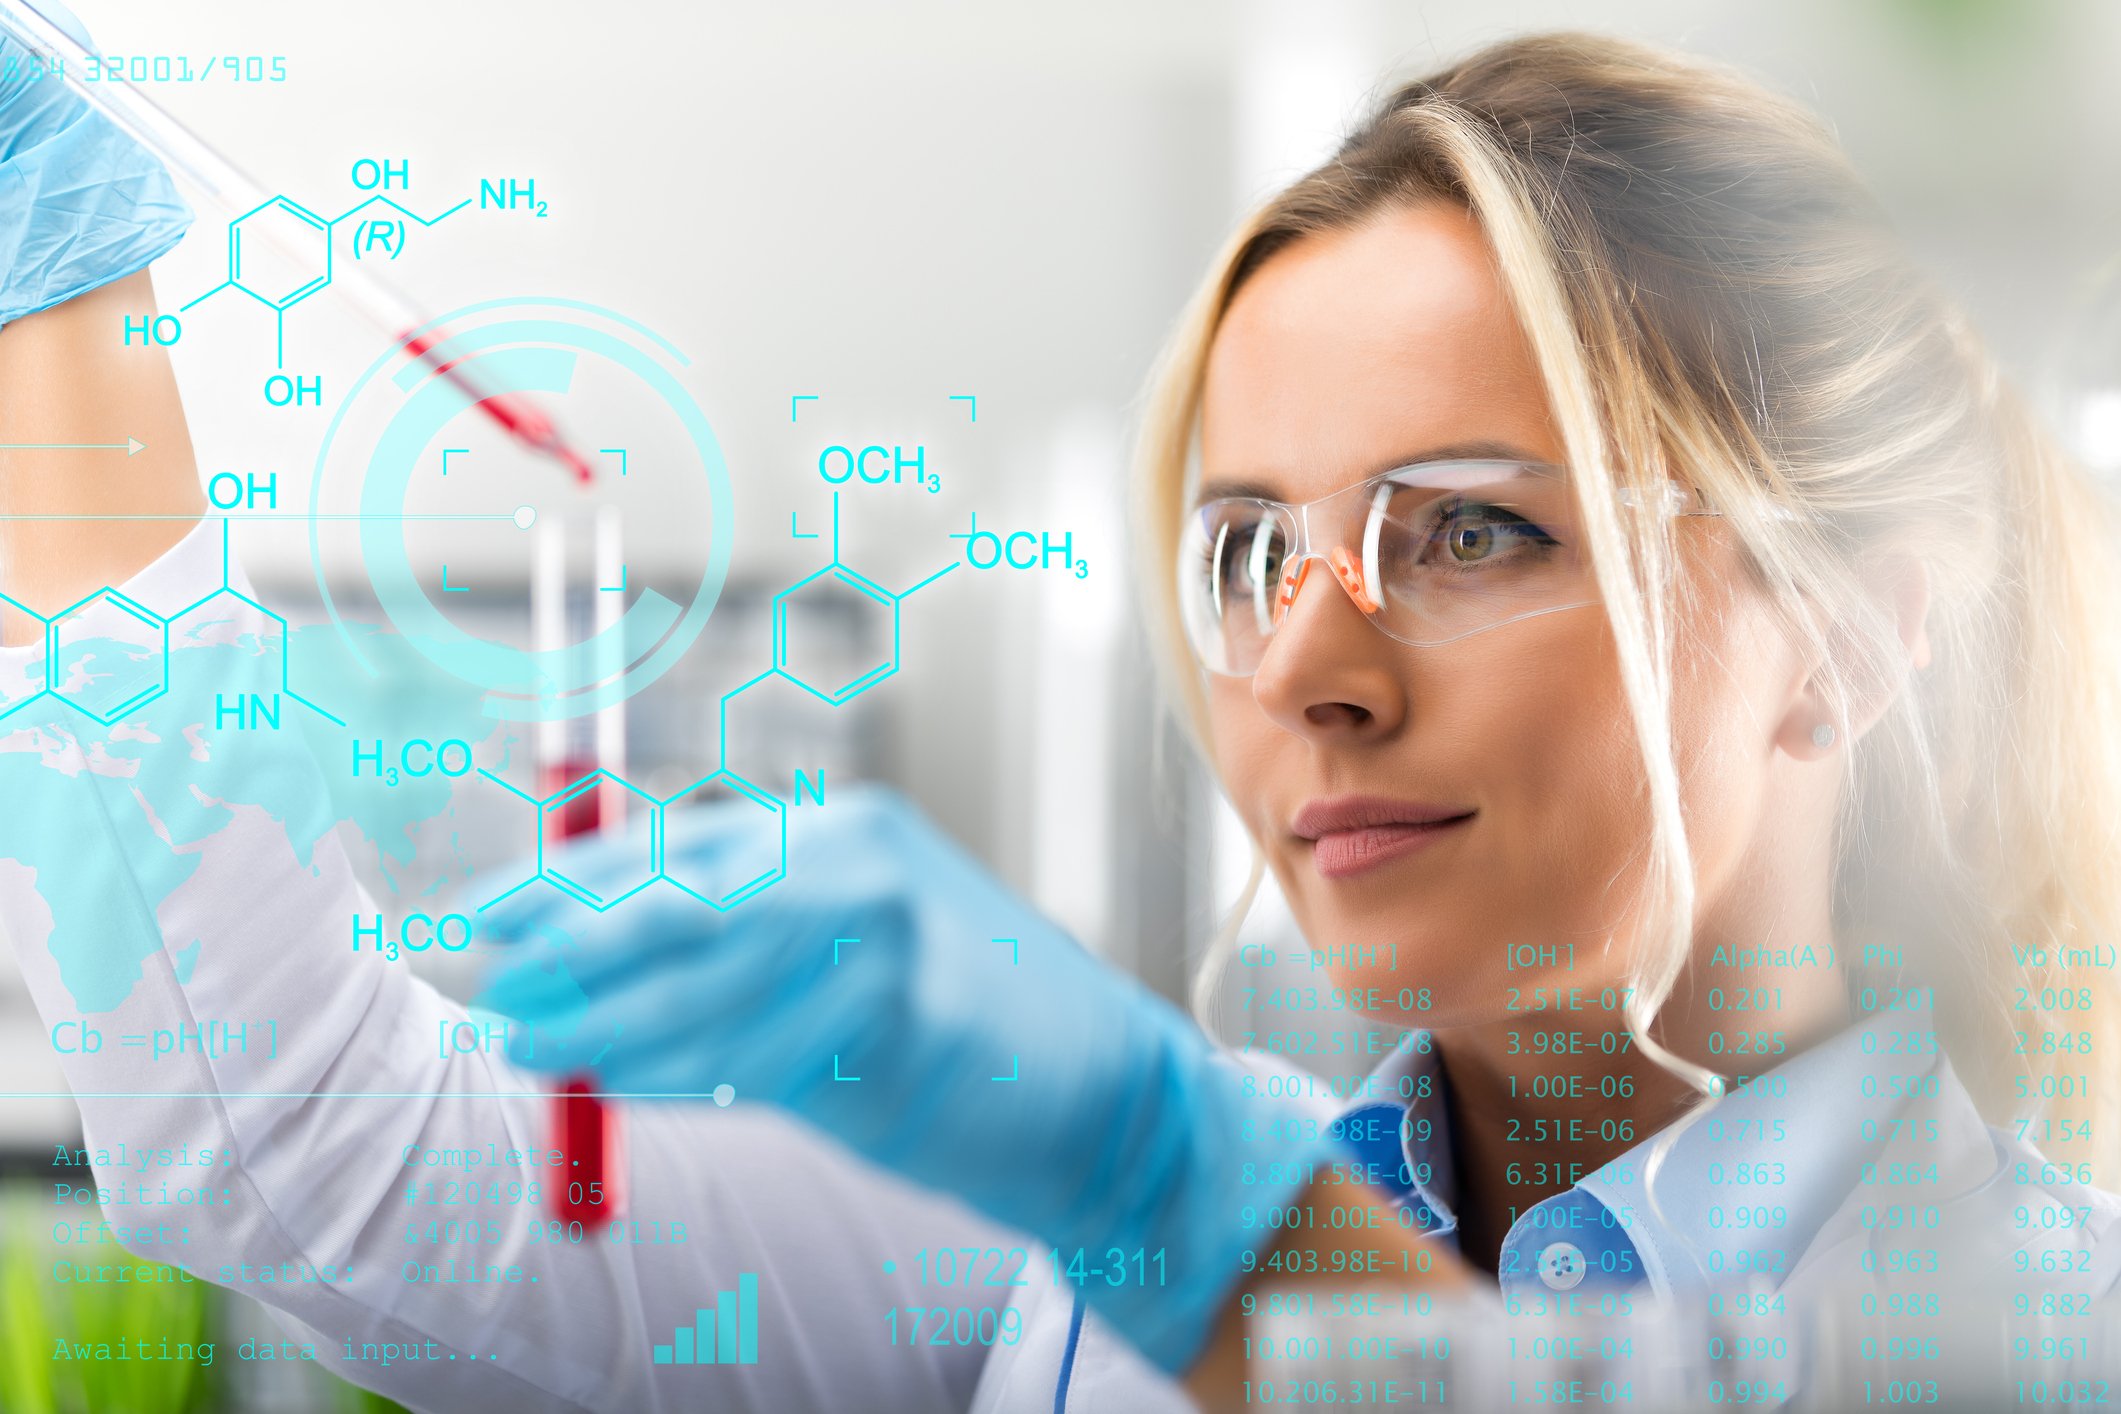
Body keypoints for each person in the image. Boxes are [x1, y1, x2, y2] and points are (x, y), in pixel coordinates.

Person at [4, 12, 2119, 1414]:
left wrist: (1175, 1182)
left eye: (1462, 530)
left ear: (1842, 629)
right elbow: (323, 1151)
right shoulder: (1057, 1265)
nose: (1302, 662)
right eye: (1241, 549)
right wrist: (63, 294)